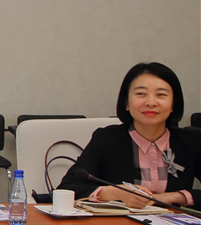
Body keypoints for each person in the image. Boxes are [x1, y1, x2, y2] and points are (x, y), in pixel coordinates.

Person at [59, 62, 201, 207]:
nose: (151, 102)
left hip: (174, 221)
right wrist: (117, 193)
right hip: (120, 221)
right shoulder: (106, 139)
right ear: (126, 102)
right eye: (141, 94)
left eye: (161, 94)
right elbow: (67, 189)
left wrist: (174, 197)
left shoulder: (192, 140)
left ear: (173, 104)